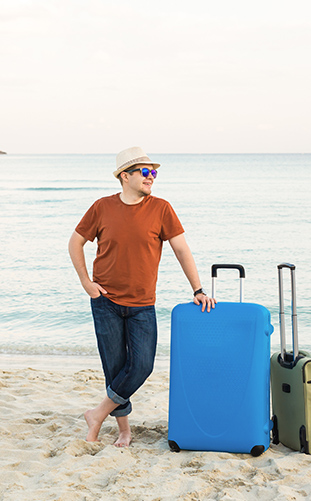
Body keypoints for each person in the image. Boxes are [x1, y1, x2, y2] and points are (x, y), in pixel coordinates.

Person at [68, 146, 216, 446]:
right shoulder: (101, 207)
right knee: (115, 367)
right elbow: (75, 243)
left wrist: (198, 289)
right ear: (126, 176)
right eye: (145, 172)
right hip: (105, 301)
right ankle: (123, 430)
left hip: (142, 305)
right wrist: (86, 282)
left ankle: (96, 414)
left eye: (154, 172)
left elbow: (181, 250)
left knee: (142, 365)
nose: (152, 177)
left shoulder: (161, 208)